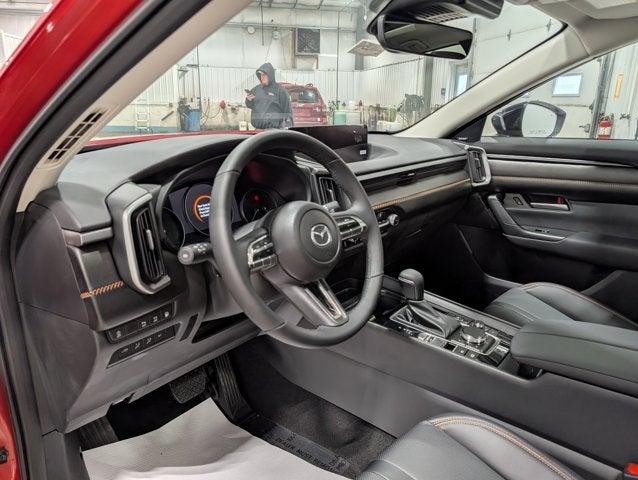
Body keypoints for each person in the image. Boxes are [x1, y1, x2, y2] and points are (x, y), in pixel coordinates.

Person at [245, 63, 293, 129]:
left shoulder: (280, 91)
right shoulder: (256, 89)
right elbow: (250, 105)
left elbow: (287, 111)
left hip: (274, 130)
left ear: (270, 75)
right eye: (260, 75)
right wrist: (248, 100)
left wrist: (289, 126)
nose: (262, 77)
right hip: (257, 130)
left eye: (264, 75)